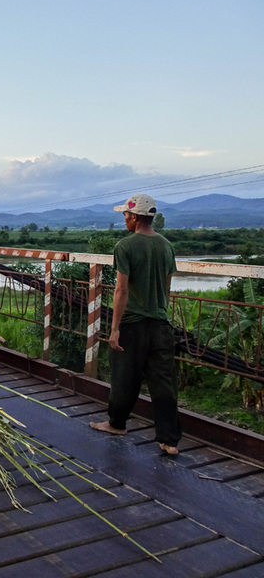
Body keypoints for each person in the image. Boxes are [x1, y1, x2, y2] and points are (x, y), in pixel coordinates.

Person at [90, 194, 181, 455]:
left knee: (124, 377)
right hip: (161, 324)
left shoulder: (125, 245)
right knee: (163, 383)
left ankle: (117, 424)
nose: (124, 220)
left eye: (125, 216)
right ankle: (169, 440)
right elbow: (166, 286)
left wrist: (115, 328)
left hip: (133, 324)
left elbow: (121, 290)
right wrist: (160, 312)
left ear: (135, 217)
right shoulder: (166, 246)